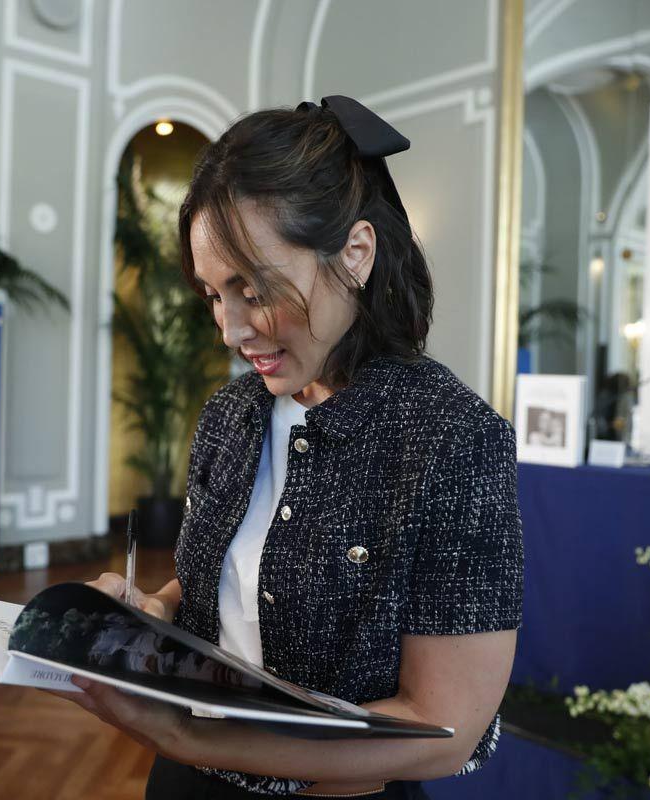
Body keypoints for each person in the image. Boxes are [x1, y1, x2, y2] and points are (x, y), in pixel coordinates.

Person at [64, 95, 523, 799]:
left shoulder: (451, 440)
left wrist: (193, 736)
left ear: (355, 253)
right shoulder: (231, 415)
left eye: (254, 289)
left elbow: (445, 728)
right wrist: (153, 610)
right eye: (215, 295)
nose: (231, 328)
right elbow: (225, 578)